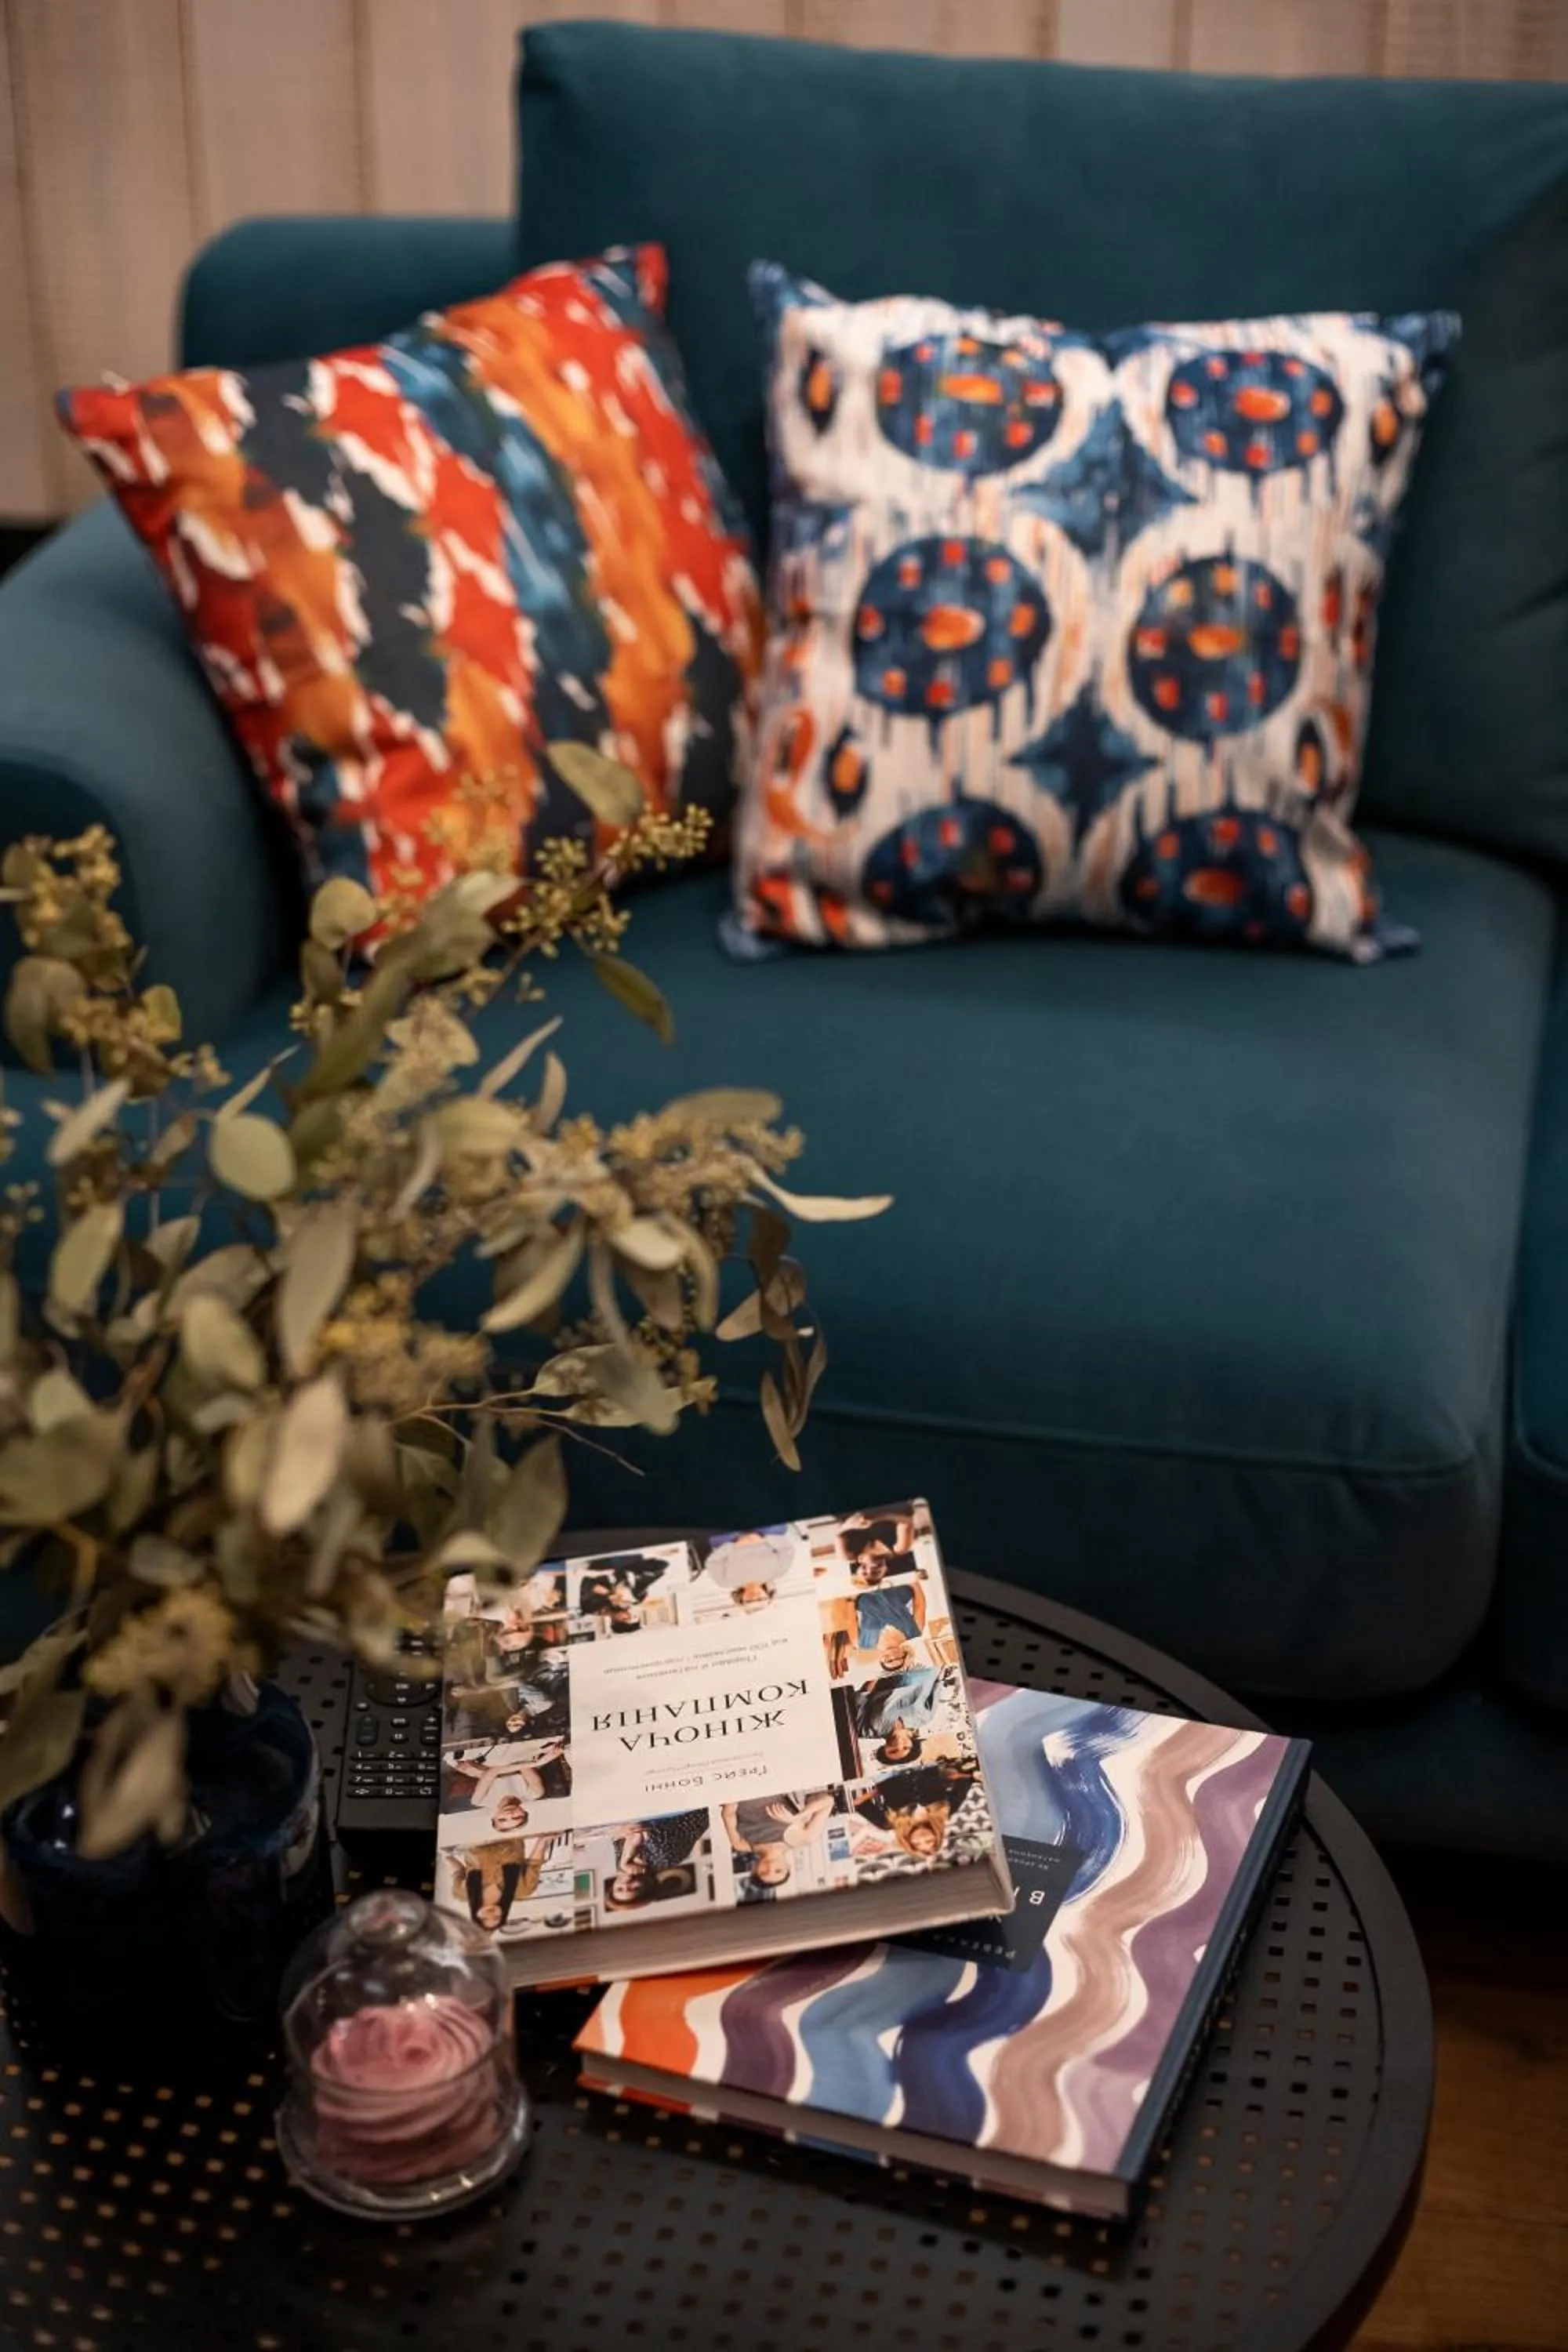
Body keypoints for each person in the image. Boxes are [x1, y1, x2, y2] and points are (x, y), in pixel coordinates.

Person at [722, 1789, 835, 1892]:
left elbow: (729, 1816)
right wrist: (797, 1817)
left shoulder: (741, 1845)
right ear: (788, 1867)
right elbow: (828, 1801)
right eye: (778, 1870)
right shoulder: (805, 1838)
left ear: (754, 1869)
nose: (770, 1866)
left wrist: (734, 1792)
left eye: (764, 1872)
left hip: (736, 1788)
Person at [448, 1738, 571, 1828]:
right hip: (519, 1755)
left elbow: (492, 1772)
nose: (510, 1814)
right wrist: (482, 1772)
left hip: (485, 1760)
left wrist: (539, 1763)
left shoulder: (479, 1801)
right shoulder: (535, 1793)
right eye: (517, 1817)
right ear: (525, 1813)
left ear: (494, 1817)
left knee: (451, 1756)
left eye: (502, 1820)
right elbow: (522, 1765)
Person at [602, 1808, 709, 1908]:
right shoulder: (667, 1857)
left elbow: (616, 1835)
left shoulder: (623, 1867)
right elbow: (636, 1829)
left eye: (619, 1889)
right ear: (650, 1884)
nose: (625, 1884)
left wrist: (624, 1861)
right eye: (634, 1888)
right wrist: (625, 1860)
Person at [691, 1526, 800, 1613]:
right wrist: (764, 1539)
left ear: (741, 1599)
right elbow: (787, 1549)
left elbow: (712, 1562)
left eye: (749, 1601)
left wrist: (733, 1545)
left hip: (728, 1540)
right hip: (764, 1534)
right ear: (768, 1595)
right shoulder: (779, 1572)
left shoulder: (724, 1582)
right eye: (761, 1599)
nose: (754, 1597)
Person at [446, 1838, 543, 1933]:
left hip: (473, 1838)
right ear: (504, 1913)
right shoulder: (523, 1890)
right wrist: (543, 1841)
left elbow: (459, 1872)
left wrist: (445, 1856)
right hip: (508, 1834)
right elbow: (534, 1863)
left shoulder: (462, 1894)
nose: (490, 1914)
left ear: (475, 1915)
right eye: (496, 1917)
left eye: (484, 1918)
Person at [840, 1508, 920, 1582]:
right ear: (886, 1569)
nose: (871, 1569)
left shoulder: (851, 1551)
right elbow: (907, 1521)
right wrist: (877, 1517)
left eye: (865, 1572)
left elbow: (840, 1533)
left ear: (859, 1561)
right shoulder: (900, 1548)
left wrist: (851, 1524)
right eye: (876, 1573)